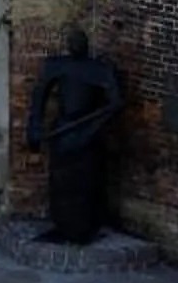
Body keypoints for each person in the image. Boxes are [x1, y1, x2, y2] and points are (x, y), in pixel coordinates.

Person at [24, 28, 123, 244]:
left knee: (86, 179)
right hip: (64, 129)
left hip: (86, 130)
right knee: (60, 180)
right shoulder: (57, 66)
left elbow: (115, 103)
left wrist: (92, 127)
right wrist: (35, 127)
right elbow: (39, 96)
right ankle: (62, 225)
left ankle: (84, 228)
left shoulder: (100, 69)